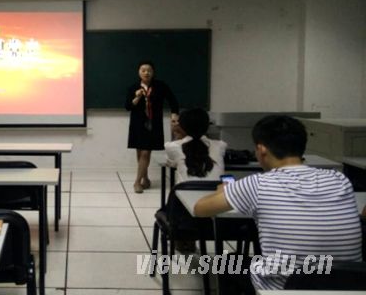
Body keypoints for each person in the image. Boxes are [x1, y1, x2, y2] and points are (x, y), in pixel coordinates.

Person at [194, 115, 362, 292]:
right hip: (348, 286)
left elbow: (200, 209)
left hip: (284, 288)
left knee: (228, 262)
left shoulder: (257, 184)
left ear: (261, 149)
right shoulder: (340, 180)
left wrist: (223, 191)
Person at [125, 61, 179, 193]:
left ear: (153, 72)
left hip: (153, 124)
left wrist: (174, 115)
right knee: (140, 152)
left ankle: (137, 182)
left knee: (145, 152)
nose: (146, 73)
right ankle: (146, 178)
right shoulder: (134, 87)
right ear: (139, 72)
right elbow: (127, 107)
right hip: (138, 123)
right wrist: (137, 97)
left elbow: (173, 101)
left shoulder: (160, 86)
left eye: (149, 70)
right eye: (143, 70)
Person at [164, 108, 226, 184]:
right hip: (215, 191)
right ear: (207, 125)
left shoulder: (172, 147)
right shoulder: (220, 146)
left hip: (184, 191)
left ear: (182, 126)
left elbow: (170, 162)